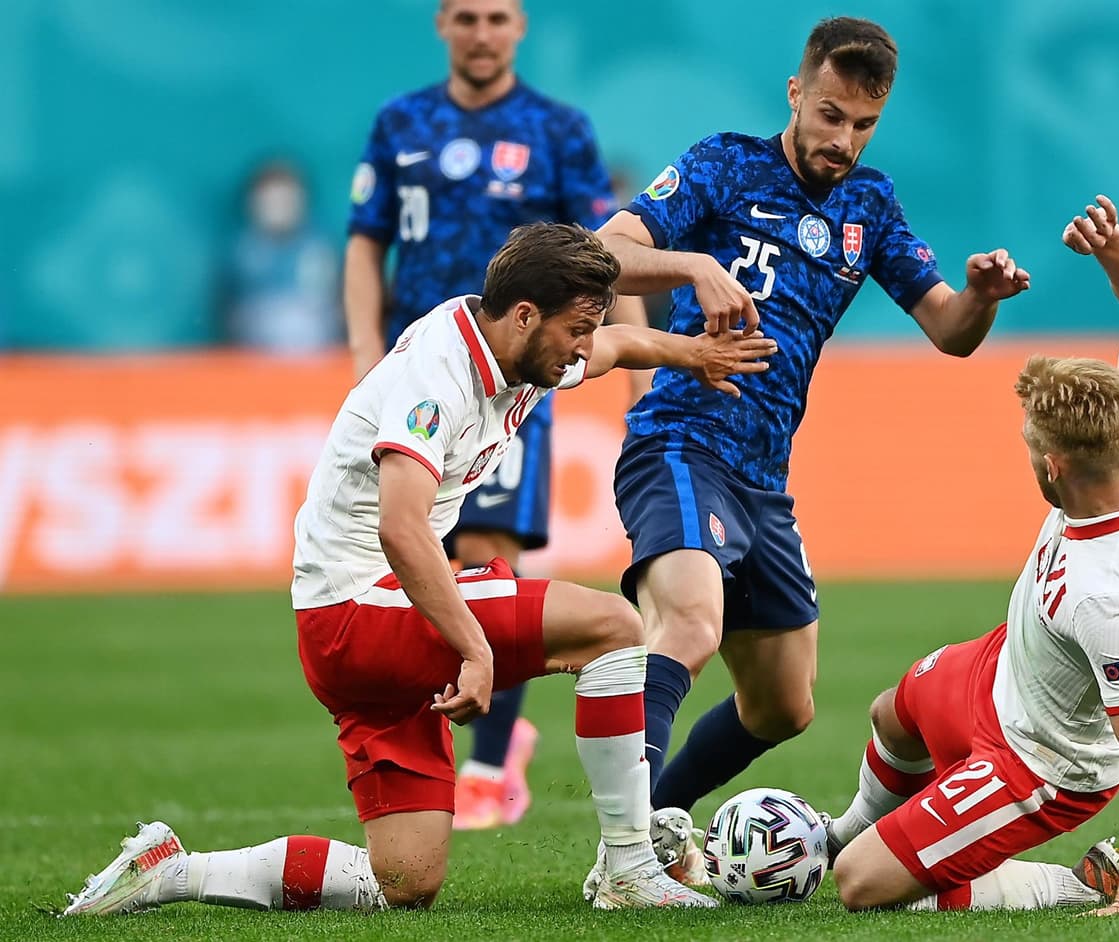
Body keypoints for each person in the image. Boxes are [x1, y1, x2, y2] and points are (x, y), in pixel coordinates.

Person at [61, 224, 776, 918]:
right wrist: (472, 647)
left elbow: (620, 344)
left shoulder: (526, 346)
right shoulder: (440, 375)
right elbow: (401, 527)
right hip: (361, 606)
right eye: (576, 328)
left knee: (402, 880)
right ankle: (630, 867)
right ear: (525, 314)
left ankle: (173, 870)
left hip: (349, 631)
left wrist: (693, 355)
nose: (584, 347)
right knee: (616, 628)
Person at [584, 16, 1030, 894]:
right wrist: (692, 269)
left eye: (863, 124)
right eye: (830, 115)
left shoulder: (871, 205)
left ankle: (655, 819)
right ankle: (623, 857)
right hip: (680, 438)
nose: (842, 139)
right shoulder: (723, 163)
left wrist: (979, 297)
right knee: (691, 621)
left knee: (784, 705)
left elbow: (948, 330)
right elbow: (603, 252)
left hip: (763, 478)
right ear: (796, 93)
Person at [824, 194, 1119, 916]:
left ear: (1055, 467)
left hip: (1041, 758)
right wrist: (1113, 246)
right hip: (1003, 671)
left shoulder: (1111, 593)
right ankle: (845, 832)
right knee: (892, 712)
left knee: (861, 887)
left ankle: (1075, 885)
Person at [343, 0, 650, 830]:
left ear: (520, 29)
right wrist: (365, 352)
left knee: (486, 555)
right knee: (421, 565)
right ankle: (452, 735)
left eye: (499, 17)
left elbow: (605, 256)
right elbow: (367, 241)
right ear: (443, 23)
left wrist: (632, 365)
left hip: (515, 382)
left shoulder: (558, 128)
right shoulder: (399, 121)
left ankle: (488, 765)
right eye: (468, 16)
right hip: (425, 381)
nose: (483, 31)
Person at [224, 161, 342, 353]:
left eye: (285, 197)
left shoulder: (321, 246)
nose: (278, 205)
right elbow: (228, 310)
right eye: (270, 198)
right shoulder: (241, 252)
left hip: (318, 360)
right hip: (254, 361)